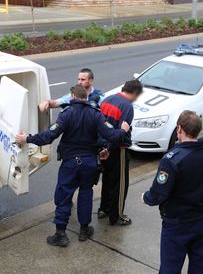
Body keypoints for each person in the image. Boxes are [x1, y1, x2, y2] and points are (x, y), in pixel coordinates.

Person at [16, 85, 130, 247]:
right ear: (86, 97)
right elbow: (112, 136)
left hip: (70, 162)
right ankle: (84, 230)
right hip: (90, 163)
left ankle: (61, 234)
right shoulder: (96, 115)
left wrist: (26, 138)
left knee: (64, 196)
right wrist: (123, 130)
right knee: (85, 193)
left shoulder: (66, 114)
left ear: (72, 96)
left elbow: (49, 136)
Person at [141, 110, 203, 274]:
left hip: (177, 224)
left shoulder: (172, 159)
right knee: (200, 267)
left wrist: (146, 198)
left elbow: (158, 193)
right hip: (202, 220)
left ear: (180, 129)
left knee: (170, 272)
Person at [98, 79, 143, 226]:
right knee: (120, 183)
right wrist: (110, 149)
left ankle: (103, 208)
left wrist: (104, 148)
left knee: (107, 179)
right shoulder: (127, 107)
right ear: (135, 93)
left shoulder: (107, 99)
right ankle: (116, 215)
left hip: (103, 147)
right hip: (118, 149)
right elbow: (121, 132)